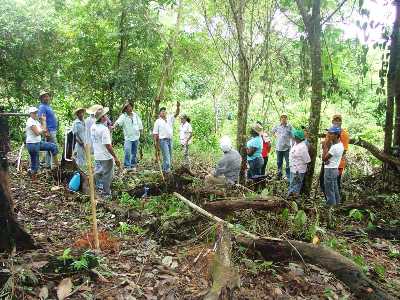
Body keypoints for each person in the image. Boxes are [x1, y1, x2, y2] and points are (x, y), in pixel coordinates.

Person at [90, 107, 121, 198]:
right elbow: (108, 145)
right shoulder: (104, 129)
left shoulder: (93, 127)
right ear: (102, 117)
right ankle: (106, 193)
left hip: (97, 154)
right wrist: (115, 157)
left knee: (99, 171)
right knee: (107, 175)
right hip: (105, 156)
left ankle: (98, 187)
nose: (107, 117)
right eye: (105, 115)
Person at [25, 107, 58, 180]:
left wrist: (44, 120)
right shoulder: (30, 121)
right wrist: (44, 131)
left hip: (38, 143)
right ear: (30, 114)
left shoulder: (36, 122)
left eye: (36, 112)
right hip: (32, 144)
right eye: (33, 113)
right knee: (35, 166)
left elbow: (44, 129)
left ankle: (57, 166)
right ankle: (32, 178)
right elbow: (37, 133)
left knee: (53, 147)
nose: (35, 114)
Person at [113, 102, 143, 171]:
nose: (130, 108)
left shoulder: (135, 115)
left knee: (134, 153)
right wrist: (113, 126)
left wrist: (141, 132)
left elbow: (140, 124)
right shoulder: (123, 116)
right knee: (127, 151)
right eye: (128, 107)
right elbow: (118, 122)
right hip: (128, 138)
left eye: (130, 107)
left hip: (136, 136)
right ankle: (127, 166)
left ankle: (133, 166)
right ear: (125, 109)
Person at [153, 102, 180, 173]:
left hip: (170, 140)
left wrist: (178, 107)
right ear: (159, 114)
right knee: (166, 155)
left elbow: (176, 114)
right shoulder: (158, 121)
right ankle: (167, 170)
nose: (164, 113)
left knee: (170, 156)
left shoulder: (169, 119)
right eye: (162, 112)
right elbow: (155, 133)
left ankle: (165, 169)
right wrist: (156, 144)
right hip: (163, 140)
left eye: (165, 111)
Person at [323, 126, 344, 206]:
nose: (329, 135)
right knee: (334, 188)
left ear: (336, 135)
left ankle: (331, 207)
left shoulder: (334, 147)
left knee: (329, 190)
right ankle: (337, 205)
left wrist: (325, 146)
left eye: (331, 134)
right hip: (334, 168)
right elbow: (328, 159)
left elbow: (324, 158)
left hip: (330, 170)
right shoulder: (340, 145)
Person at [288, 129, 311, 199]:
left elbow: (307, 160)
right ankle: (290, 200)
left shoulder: (303, 147)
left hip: (298, 170)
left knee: (295, 186)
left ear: (297, 138)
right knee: (292, 184)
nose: (293, 137)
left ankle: (292, 200)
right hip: (293, 168)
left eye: (294, 136)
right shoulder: (296, 144)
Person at [38, 90, 58, 168]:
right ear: (41, 98)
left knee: (49, 148)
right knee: (53, 147)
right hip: (49, 130)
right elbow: (42, 119)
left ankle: (48, 165)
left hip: (52, 130)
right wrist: (46, 131)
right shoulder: (42, 107)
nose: (46, 98)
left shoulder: (48, 106)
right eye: (44, 97)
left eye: (47, 96)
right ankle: (54, 165)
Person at [332, 114, 349, 192]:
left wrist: (330, 157)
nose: (337, 122)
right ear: (332, 121)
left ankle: (338, 202)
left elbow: (344, 150)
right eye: (336, 120)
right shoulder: (331, 132)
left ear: (341, 122)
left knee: (335, 183)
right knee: (326, 183)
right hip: (329, 163)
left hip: (338, 163)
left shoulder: (344, 134)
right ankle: (333, 201)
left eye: (339, 120)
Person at [272, 114, 293, 180]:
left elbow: (293, 135)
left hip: (287, 148)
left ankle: (288, 176)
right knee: (279, 162)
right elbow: (272, 131)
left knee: (288, 163)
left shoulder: (289, 126)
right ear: (280, 119)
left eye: (285, 118)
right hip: (279, 148)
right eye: (282, 118)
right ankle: (279, 175)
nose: (283, 119)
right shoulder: (277, 126)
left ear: (287, 119)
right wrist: (276, 136)